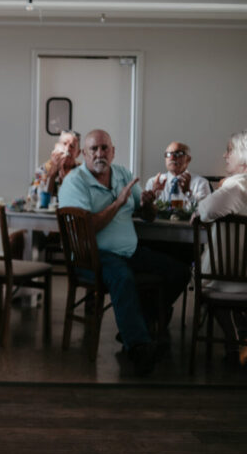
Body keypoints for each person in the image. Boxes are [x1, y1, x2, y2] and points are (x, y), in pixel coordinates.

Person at [58, 129, 190, 376]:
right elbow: (85, 229)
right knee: (123, 277)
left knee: (179, 271)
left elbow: (146, 216)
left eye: (105, 148)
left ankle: (139, 324)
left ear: (113, 151)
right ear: (84, 154)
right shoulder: (74, 181)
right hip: (93, 256)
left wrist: (149, 203)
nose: (100, 153)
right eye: (94, 149)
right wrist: (118, 203)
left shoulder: (122, 174)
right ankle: (139, 348)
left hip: (129, 251)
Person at [194, 130, 247, 364]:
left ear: (244, 159)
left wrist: (198, 210)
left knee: (198, 277)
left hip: (227, 278)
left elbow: (205, 210)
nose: (225, 156)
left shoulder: (235, 188)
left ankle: (234, 343)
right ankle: (238, 338)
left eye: (230, 151)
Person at [142, 141, 212, 206]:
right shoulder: (153, 182)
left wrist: (188, 194)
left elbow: (206, 211)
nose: (172, 158)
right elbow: (146, 212)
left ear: (188, 159)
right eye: (168, 154)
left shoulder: (201, 183)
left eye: (178, 154)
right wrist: (153, 194)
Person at [31, 130, 81, 200]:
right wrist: (52, 175)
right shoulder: (42, 170)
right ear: (56, 147)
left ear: (78, 153)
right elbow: (34, 197)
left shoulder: (83, 171)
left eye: (72, 146)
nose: (67, 149)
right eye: (64, 144)